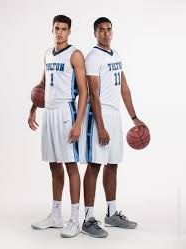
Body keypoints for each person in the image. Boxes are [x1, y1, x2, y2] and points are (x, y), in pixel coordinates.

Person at [80, 17, 147, 238]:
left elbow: (124, 87)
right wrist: (100, 126)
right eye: (102, 30)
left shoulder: (115, 55)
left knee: (113, 164)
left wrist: (134, 117)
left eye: (109, 30)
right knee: (94, 165)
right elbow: (94, 95)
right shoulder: (92, 58)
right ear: (95, 33)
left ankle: (111, 213)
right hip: (99, 115)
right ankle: (88, 219)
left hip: (115, 114)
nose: (106, 33)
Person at [28, 15, 87, 238]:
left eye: (64, 29)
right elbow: (43, 83)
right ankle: (55, 215)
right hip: (49, 113)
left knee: (70, 164)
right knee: (54, 164)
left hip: (66, 112)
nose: (60, 32)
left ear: (69, 31)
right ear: (51, 30)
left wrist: (78, 122)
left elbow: (84, 92)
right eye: (56, 28)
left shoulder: (75, 55)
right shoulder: (46, 53)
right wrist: (33, 107)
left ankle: (74, 219)